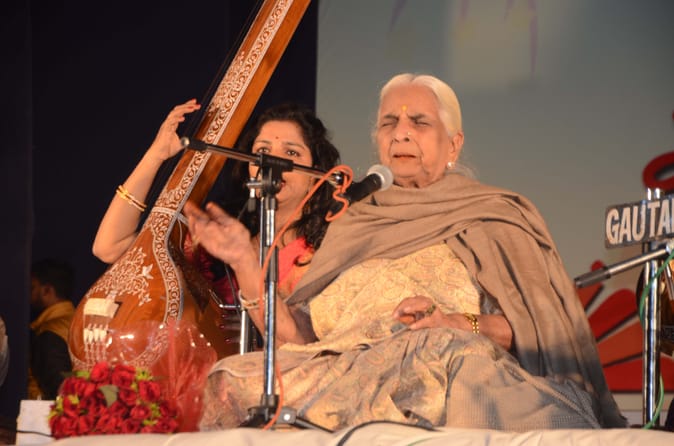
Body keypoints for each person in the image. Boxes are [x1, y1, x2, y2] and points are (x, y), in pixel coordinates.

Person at [188, 73, 627, 431]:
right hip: (347, 371)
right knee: (230, 378)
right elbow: (298, 337)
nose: (401, 133)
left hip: (441, 359)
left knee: (445, 364)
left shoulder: (492, 216)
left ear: (453, 144)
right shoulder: (358, 221)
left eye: (419, 122)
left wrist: (458, 322)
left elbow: (534, 329)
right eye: (388, 124)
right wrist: (245, 263)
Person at [92, 100, 341, 339]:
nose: (272, 163)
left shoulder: (326, 253)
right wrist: (156, 155)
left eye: (291, 152)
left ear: (316, 173)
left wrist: (253, 334)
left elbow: (313, 339)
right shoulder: (217, 239)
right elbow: (109, 247)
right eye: (263, 151)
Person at [29, 258, 75, 399]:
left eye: (32, 288)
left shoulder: (49, 332)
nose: (28, 294)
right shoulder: (79, 321)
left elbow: (58, 387)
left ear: (47, 290)